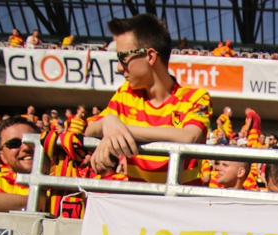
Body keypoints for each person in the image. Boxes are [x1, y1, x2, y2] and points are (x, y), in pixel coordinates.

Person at [86, 13, 211, 183]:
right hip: (137, 199)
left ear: (150, 56)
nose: (119, 67)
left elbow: (188, 137)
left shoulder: (196, 97)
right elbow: (90, 130)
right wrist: (108, 122)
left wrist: (119, 130)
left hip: (181, 199)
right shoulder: (125, 94)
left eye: (123, 58)